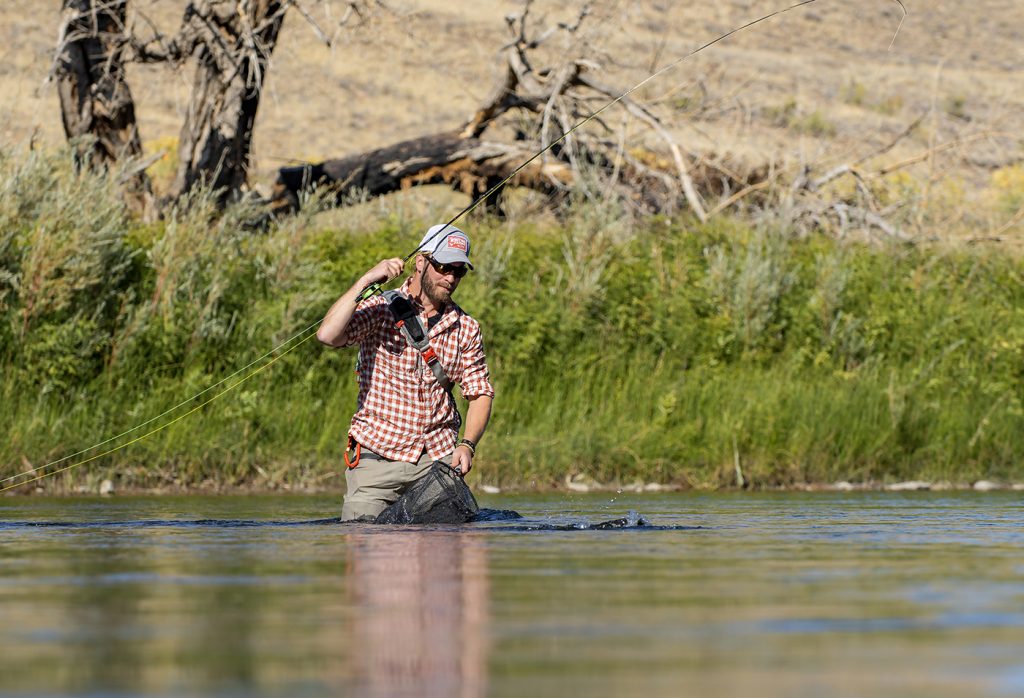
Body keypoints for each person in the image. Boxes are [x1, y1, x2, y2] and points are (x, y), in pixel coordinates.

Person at [316, 224, 495, 521]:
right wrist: (367, 279)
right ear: (421, 262)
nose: (450, 278)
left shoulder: (466, 327)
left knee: (448, 555)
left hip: (436, 464)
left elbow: (480, 393)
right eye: (443, 267)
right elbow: (328, 335)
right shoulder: (381, 308)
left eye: (459, 271)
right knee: (364, 545)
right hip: (376, 461)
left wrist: (467, 445)